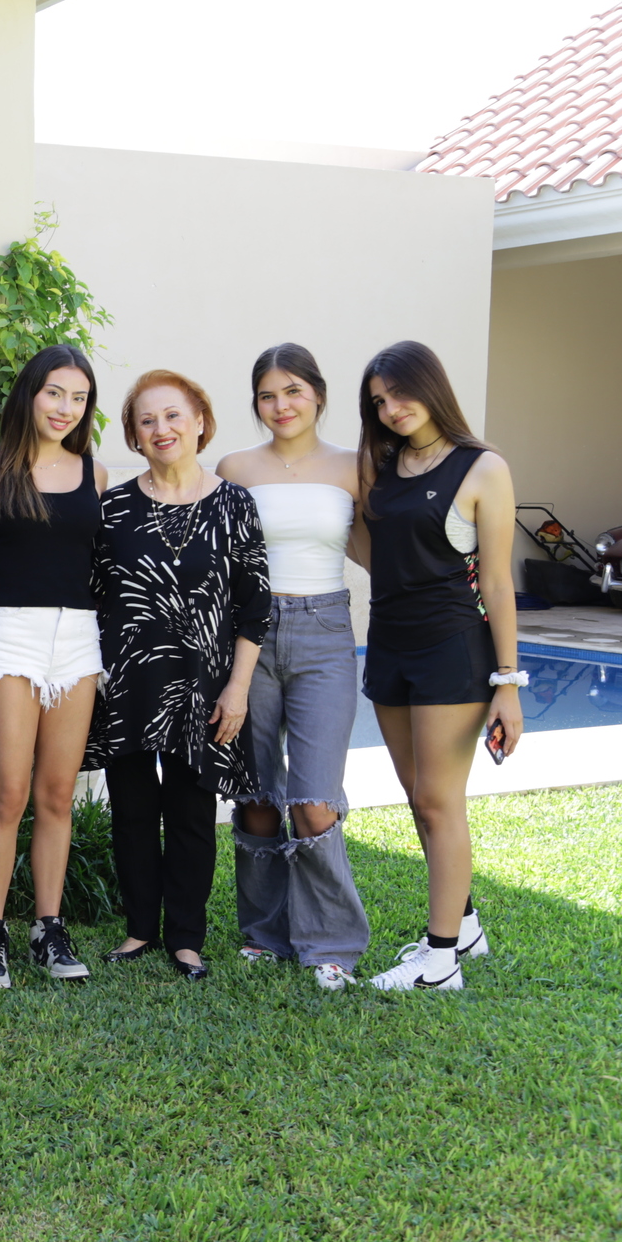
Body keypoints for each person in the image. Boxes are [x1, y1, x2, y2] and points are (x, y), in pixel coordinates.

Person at [86, 370, 270, 981]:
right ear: (135, 436)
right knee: (132, 810)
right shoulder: (112, 508)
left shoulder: (234, 503)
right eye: (147, 420)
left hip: (205, 686)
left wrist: (238, 688)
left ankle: (187, 938)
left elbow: (255, 606)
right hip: (128, 684)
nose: (161, 429)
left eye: (172, 416)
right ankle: (140, 929)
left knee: (192, 812)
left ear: (199, 422)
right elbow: (85, 592)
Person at [357, 340, 520, 992]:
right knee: (416, 796)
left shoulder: (482, 467)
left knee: (437, 799)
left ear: (430, 386)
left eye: (400, 393)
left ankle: (441, 960)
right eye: (378, 402)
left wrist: (508, 684)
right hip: (388, 645)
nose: (391, 409)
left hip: (451, 649)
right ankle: (467, 924)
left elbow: (498, 582)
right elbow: (377, 554)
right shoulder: (382, 468)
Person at [215, 345, 371, 992]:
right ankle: (265, 933)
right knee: (256, 800)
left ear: (318, 395)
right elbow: (218, 564)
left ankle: (331, 943)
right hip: (248, 639)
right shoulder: (235, 468)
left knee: (312, 804)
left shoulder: (352, 466)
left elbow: (380, 553)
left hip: (325, 634)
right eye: (267, 395)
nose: (281, 406)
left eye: (293, 392)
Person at [0, 346, 111, 987]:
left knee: (56, 793)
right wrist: (0, 582)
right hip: (10, 633)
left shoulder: (95, 473)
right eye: (55, 393)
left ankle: (48, 929)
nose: (65, 408)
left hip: (76, 637)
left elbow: (94, 562)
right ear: (29, 393)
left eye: (79, 398)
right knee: (9, 792)